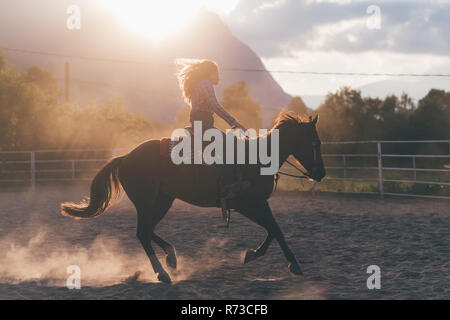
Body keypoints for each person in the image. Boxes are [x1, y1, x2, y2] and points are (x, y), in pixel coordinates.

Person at [176, 59, 246, 219]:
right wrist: (235, 123)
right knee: (228, 144)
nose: (218, 76)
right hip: (203, 123)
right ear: (210, 73)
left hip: (201, 122)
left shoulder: (201, 84)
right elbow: (215, 106)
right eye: (216, 72)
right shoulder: (206, 84)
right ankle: (227, 186)